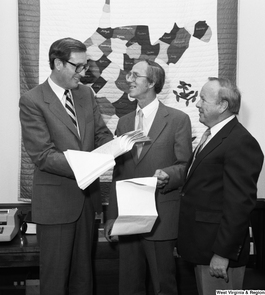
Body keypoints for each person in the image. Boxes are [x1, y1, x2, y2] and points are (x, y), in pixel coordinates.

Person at [19, 37, 113, 295]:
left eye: (86, 66)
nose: (84, 73)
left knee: (84, 280)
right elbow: (43, 155)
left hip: (87, 202)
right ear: (58, 63)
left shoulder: (86, 94)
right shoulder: (32, 100)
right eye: (78, 66)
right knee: (55, 281)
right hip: (56, 204)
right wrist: (89, 163)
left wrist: (114, 147)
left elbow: (101, 134)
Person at [104, 59, 192, 295]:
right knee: (129, 286)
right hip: (128, 219)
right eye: (129, 74)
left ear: (152, 82)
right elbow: (118, 173)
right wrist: (112, 217)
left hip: (161, 218)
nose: (128, 79)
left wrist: (169, 175)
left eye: (135, 75)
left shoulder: (178, 120)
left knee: (164, 285)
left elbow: (185, 166)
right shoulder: (123, 123)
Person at [177, 77, 264, 294]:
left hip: (218, 253)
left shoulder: (240, 142)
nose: (197, 104)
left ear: (222, 105)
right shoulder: (213, 136)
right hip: (202, 246)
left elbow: (239, 205)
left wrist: (223, 253)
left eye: (203, 99)